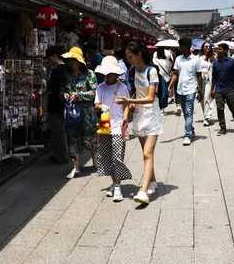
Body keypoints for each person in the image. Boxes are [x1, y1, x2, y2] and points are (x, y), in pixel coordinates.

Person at [117, 41, 163, 205]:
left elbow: (150, 97)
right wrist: (128, 108)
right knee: (146, 151)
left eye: (131, 55)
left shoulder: (152, 71)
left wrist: (130, 100)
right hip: (139, 113)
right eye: (127, 56)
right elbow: (136, 92)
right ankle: (152, 181)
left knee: (147, 153)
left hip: (152, 113)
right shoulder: (132, 71)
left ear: (140, 54)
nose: (128, 58)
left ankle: (143, 192)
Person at [94, 56, 132, 202]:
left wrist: (125, 119)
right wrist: (100, 107)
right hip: (105, 126)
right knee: (107, 157)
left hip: (118, 126)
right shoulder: (100, 87)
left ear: (116, 74)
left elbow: (127, 104)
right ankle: (113, 183)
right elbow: (96, 104)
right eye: (106, 73)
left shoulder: (122, 87)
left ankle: (117, 187)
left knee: (117, 157)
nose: (108, 76)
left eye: (111, 73)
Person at [62, 47, 98, 179]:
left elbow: (94, 93)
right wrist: (65, 94)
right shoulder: (67, 75)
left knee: (90, 138)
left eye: (74, 60)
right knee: (72, 139)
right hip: (72, 112)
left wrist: (78, 95)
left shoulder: (89, 74)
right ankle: (75, 167)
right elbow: (63, 90)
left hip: (87, 112)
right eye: (70, 60)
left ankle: (95, 157)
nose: (71, 63)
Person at [169, 38, 202, 146]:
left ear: (186, 46)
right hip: (180, 90)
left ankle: (187, 135)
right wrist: (169, 86)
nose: (179, 48)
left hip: (191, 90)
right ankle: (191, 130)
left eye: (180, 46)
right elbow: (175, 74)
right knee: (186, 113)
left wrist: (200, 91)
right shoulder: (178, 59)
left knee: (188, 112)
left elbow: (199, 76)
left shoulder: (196, 60)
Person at [211, 43, 234, 136]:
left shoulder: (232, 62)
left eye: (220, 49)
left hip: (230, 89)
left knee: (232, 107)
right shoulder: (215, 63)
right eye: (217, 49)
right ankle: (222, 127)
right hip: (219, 89)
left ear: (225, 50)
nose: (217, 51)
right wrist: (212, 89)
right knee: (219, 108)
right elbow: (214, 77)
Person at [46, 46, 69, 165]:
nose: (50, 60)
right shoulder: (68, 69)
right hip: (67, 104)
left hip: (56, 105)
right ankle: (67, 154)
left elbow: (51, 88)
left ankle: (61, 157)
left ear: (54, 56)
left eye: (50, 57)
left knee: (57, 131)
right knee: (66, 131)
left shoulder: (57, 72)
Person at [152, 47, 175, 113]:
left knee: (159, 93)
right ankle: (163, 106)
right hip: (167, 78)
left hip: (158, 77)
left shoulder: (155, 57)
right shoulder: (167, 59)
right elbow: (171, 66)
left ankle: (160, 108)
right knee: (165, 93)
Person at [199, 41, 215, 126]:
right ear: (203, 48)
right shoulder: (199, 58)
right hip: (201, 80)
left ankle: (207, 117)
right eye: (206, 46)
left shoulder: (213, 58)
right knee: (202, 99)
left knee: (207, 98)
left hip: (209, 80)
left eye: (209, 46)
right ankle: (205, 114)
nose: (208, 48)